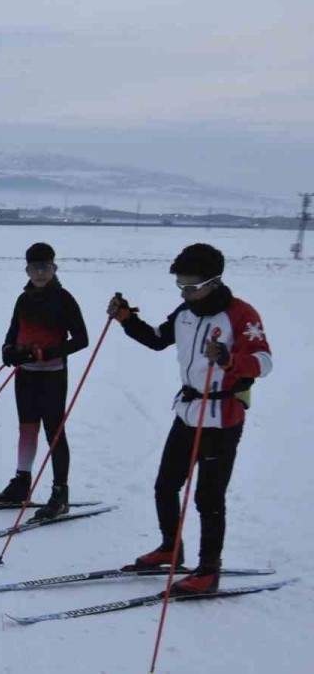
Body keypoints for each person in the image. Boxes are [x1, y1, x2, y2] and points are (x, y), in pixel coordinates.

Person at [109, 243, 272, 595]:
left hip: (222, 418)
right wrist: (126, 319)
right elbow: (156, 340)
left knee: (208, 498)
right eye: (180, 285)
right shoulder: (185, 311)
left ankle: (209, 570)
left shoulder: (241, 315)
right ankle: (171, 548)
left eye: (191, 285)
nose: (185, 291)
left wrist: (230, 359)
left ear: (214, 281)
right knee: (166, 486)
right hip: (187, 413)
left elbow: (264, 362)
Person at [0, 242, 89, 520]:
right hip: (26, 374)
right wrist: (8, 350)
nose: (40, 273)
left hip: (53, 375)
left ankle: (60, 492)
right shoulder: (24, 299)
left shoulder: (63, 298)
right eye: (34, 268)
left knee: (54, 432)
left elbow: (81, 340)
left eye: (45, 267)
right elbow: (13, 331)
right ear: (27, 270)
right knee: (27, 428)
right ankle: (22, 482)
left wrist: (48, 353)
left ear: (54, 268)